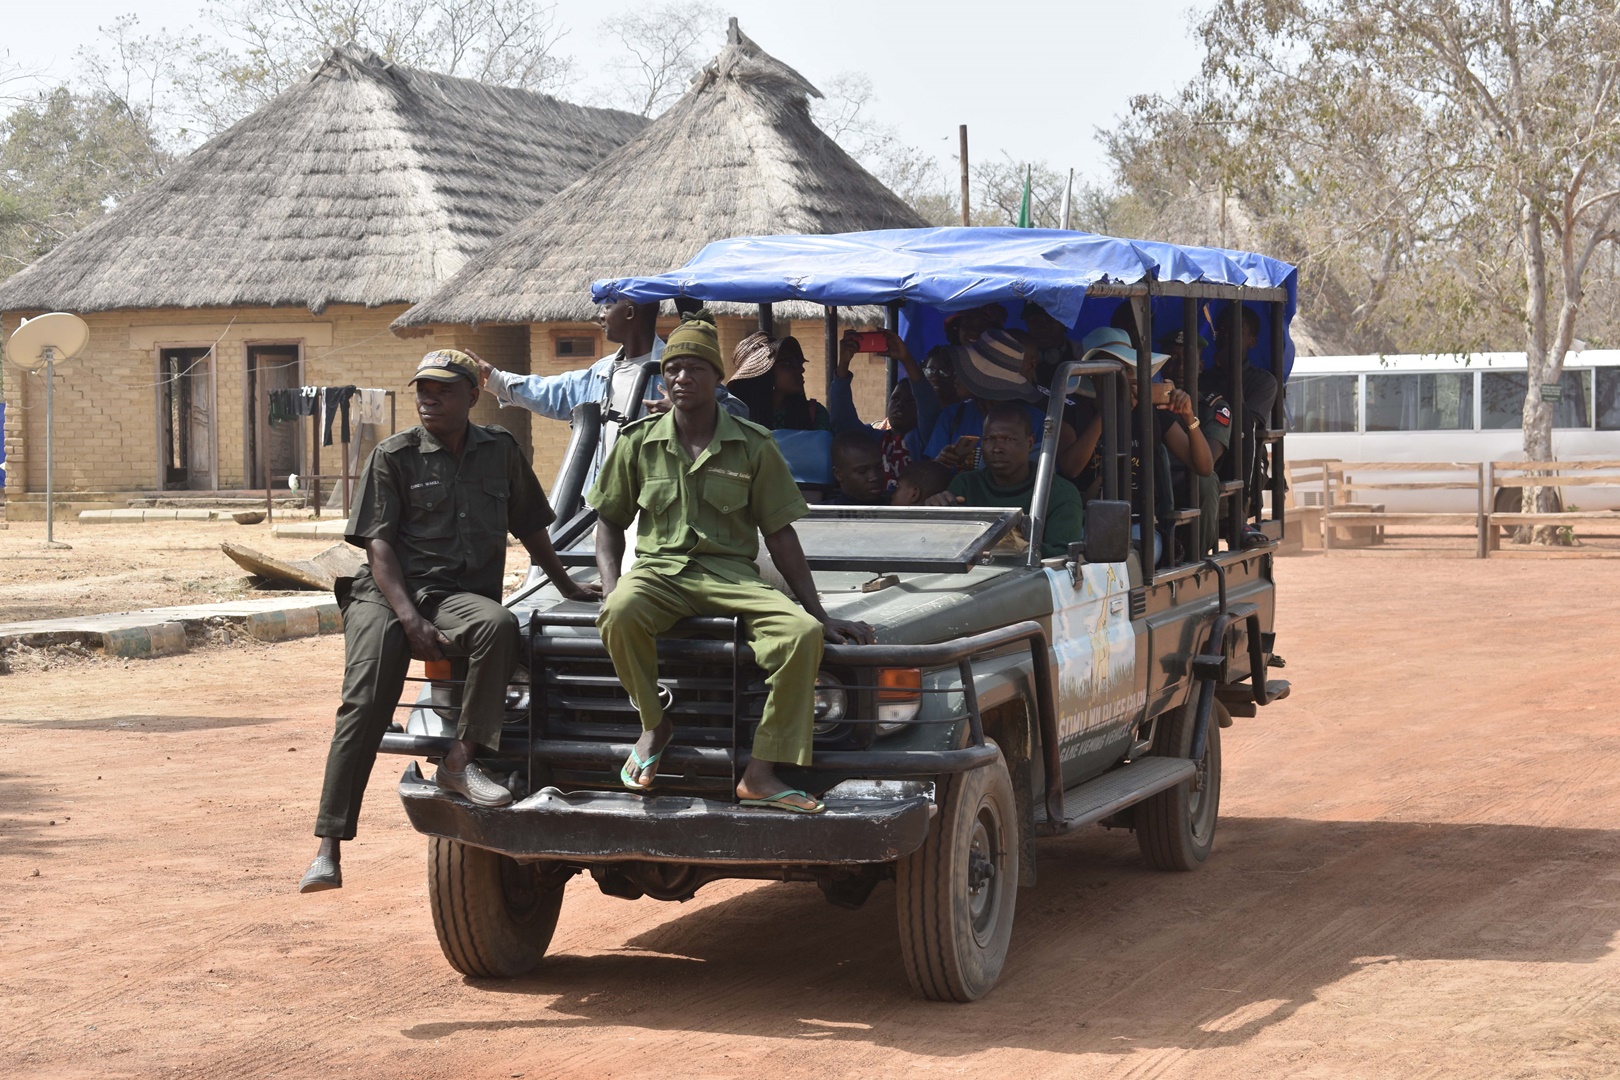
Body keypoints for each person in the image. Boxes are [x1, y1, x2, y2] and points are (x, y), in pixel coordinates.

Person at [299, 350, 599, 893]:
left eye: (441, 390)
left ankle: (460, 761)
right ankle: (328, 845)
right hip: (386, 595)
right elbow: (379, 549)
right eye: (422, 389)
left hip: (455, 596)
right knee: (366, 700)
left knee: (499, 627)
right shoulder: (394, 455)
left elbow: (532, 526)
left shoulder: (499, 451)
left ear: (471, 395)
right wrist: (409, 620)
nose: (428, 398)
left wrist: (569, 586)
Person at [589, 311, 875, 814]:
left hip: (732, 577)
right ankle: (655, 725)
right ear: (663, 377)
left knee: (800, 636)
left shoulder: (753, 444)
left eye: (695, 368)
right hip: (661, 574)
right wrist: (613, 586)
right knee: (618, 613)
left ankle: (762, 772)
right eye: (673, 368)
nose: (682, 377)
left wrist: (820, 613)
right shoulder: (638, 443)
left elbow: (781, 535)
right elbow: (609, 522)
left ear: (718, 378)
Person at [473, 297, 746, 472]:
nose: (601, 316)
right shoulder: (603, 372)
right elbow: (554, 393)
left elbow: (737, 414)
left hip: (663, 497)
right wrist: (496, 379)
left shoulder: (677, 370)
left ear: (629, 312)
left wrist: (688, 413)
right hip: (606, 500)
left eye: (607, 307)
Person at [1062, 327, 1213, 565]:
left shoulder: (1150, 414)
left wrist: (1189, 417)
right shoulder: (1075, 413)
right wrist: (1108, 410)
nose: (1124, 377)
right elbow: (1070, 468)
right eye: (1113, 371)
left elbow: (1203, 466)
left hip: (1139, 528)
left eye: (1127, 370)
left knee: (1129, 561)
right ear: (1092, 375)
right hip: (1084, 524)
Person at [925, 404, 1085, 557]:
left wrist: (1014, 545)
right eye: (989, 439)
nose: (997, 448)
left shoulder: (1059, 493)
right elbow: (944, 545)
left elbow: (1064, 557)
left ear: (1029, 443)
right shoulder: (966, 485)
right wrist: (935, 511)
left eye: (1008, 439)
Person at [924, 329, 1051, 471]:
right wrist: (939, 463)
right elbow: (931, 474)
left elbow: (1040, 479)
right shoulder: (952, 415)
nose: (956, 374)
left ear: (984, 378)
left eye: (966, 369)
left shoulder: (1037, 421)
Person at [829, 329, 940, 489]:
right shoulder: (872, 439)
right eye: (895, 399)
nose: (900, 405)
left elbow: (927, 402)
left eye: (911, 401)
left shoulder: (924, 439)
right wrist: (843, 364)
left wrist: (906, 359)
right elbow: (841, 419)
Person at [1159, 327, 1233, 555]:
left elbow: (1205, 462)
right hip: (1154, 479)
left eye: (1187, 360)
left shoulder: (1215, 407)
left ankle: (1195, 556)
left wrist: (1189, 418)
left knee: (1204, 480)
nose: (1179, 367)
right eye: (1172, 359)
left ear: (1200, 366)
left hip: (1190, 483)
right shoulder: (1151, 403)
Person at [726, 333, 831, 430]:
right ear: (763, 374)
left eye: (798, 362)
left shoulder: (815, 414)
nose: (801, 369)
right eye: (788, 363)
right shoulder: (735, 419)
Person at [826, 429, 887, 505]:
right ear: (838, 475)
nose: (874, 477)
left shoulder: (899, 510)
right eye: (862, 471)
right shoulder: (820, 514)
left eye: (879, 467)